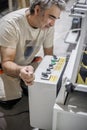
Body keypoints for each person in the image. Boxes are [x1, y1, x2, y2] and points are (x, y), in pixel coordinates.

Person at [0, 0, 66, 107]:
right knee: (11, 100)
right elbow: (6, 63)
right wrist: (20, 71)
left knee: (38, 87)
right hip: (5, 66)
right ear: (37, 10)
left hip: (25, 62)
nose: (53, 23)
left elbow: (49, 55)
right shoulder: (11, 25)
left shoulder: (47, 25)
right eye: (51, 17)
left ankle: (22, 78)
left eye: (56, 19)